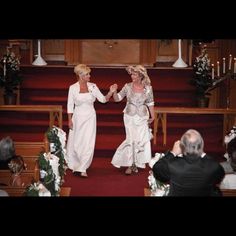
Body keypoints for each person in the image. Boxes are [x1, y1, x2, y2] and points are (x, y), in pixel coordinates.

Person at [66, 64, 115, 178]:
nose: (89, 76)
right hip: (77, 117)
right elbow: (70, 105)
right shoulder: (72, 88)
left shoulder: (93, 86)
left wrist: (111, 92)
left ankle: (83, 168)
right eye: (87, 74)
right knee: (77, 142)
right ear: (80, 75)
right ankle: (75, 164)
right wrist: (69, 120)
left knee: (88, 143)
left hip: (90, 118)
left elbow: (103, 100)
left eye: (89, 73)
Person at [152, 129, 225, 196]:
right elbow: (219, 177)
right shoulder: (212, 166)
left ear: (182, 147)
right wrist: (202, 153)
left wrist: (173, 153)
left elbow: (157, 170)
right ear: (201, 145)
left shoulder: (173, 165)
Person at [111, 65, 155, 175]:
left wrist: (153, 116)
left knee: (140, 140)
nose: (132, 76)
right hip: (129, 116)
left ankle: (138, 162)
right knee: (131, 139)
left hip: (142, 117)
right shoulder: (127, 86)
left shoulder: (148, 88)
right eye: (131, 74)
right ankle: (131, 164)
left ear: (140, 76)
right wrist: (114, 92)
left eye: (134, 74)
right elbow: (117, 99)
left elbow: (150, 103)